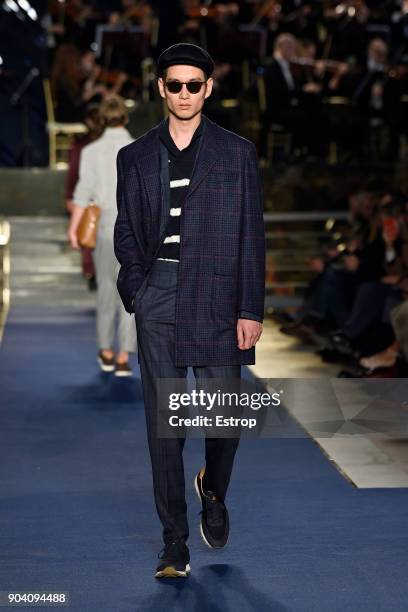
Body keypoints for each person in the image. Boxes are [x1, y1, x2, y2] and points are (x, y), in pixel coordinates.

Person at [113, 43, 265, 578]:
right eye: (173, 84)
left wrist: (251, 306)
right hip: (159, 292)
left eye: (192, 85)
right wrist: (137, 288)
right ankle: (173, 543)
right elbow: (126, 232)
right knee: (166, 426)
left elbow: (252, 236)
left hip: (220, 296)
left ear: (208, 87)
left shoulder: (236, 153)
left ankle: (214, 490)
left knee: (226, 420)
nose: (183, 94)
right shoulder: (134, 157)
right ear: (160, 87)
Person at [68, 95, 137, 376]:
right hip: (135, 229)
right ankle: (123, 356)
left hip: (107, 226)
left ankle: (106, 351)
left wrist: (74, 228)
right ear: (126, 118)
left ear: (102, 119)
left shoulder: (91, 151)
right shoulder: (140, 149)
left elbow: (83, 194)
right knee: (130, 292)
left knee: (106, 289)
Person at [65, 103, 104, 290]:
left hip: (89, 197)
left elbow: (73, 173)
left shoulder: (81, 146)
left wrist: (69, 196)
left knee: (88, 231)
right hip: (108, 196)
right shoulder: (103, 145)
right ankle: (96, 272)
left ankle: (92, 271)